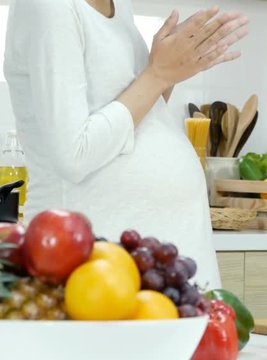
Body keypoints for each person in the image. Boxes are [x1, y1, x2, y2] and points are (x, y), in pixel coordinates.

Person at [3, 0, 248, 289]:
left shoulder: (118, 6)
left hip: (168, 269)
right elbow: (74, 155)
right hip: (99, 274)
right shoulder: (50, 7)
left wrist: (171, 69)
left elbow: (135, 122)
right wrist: (158, 74)